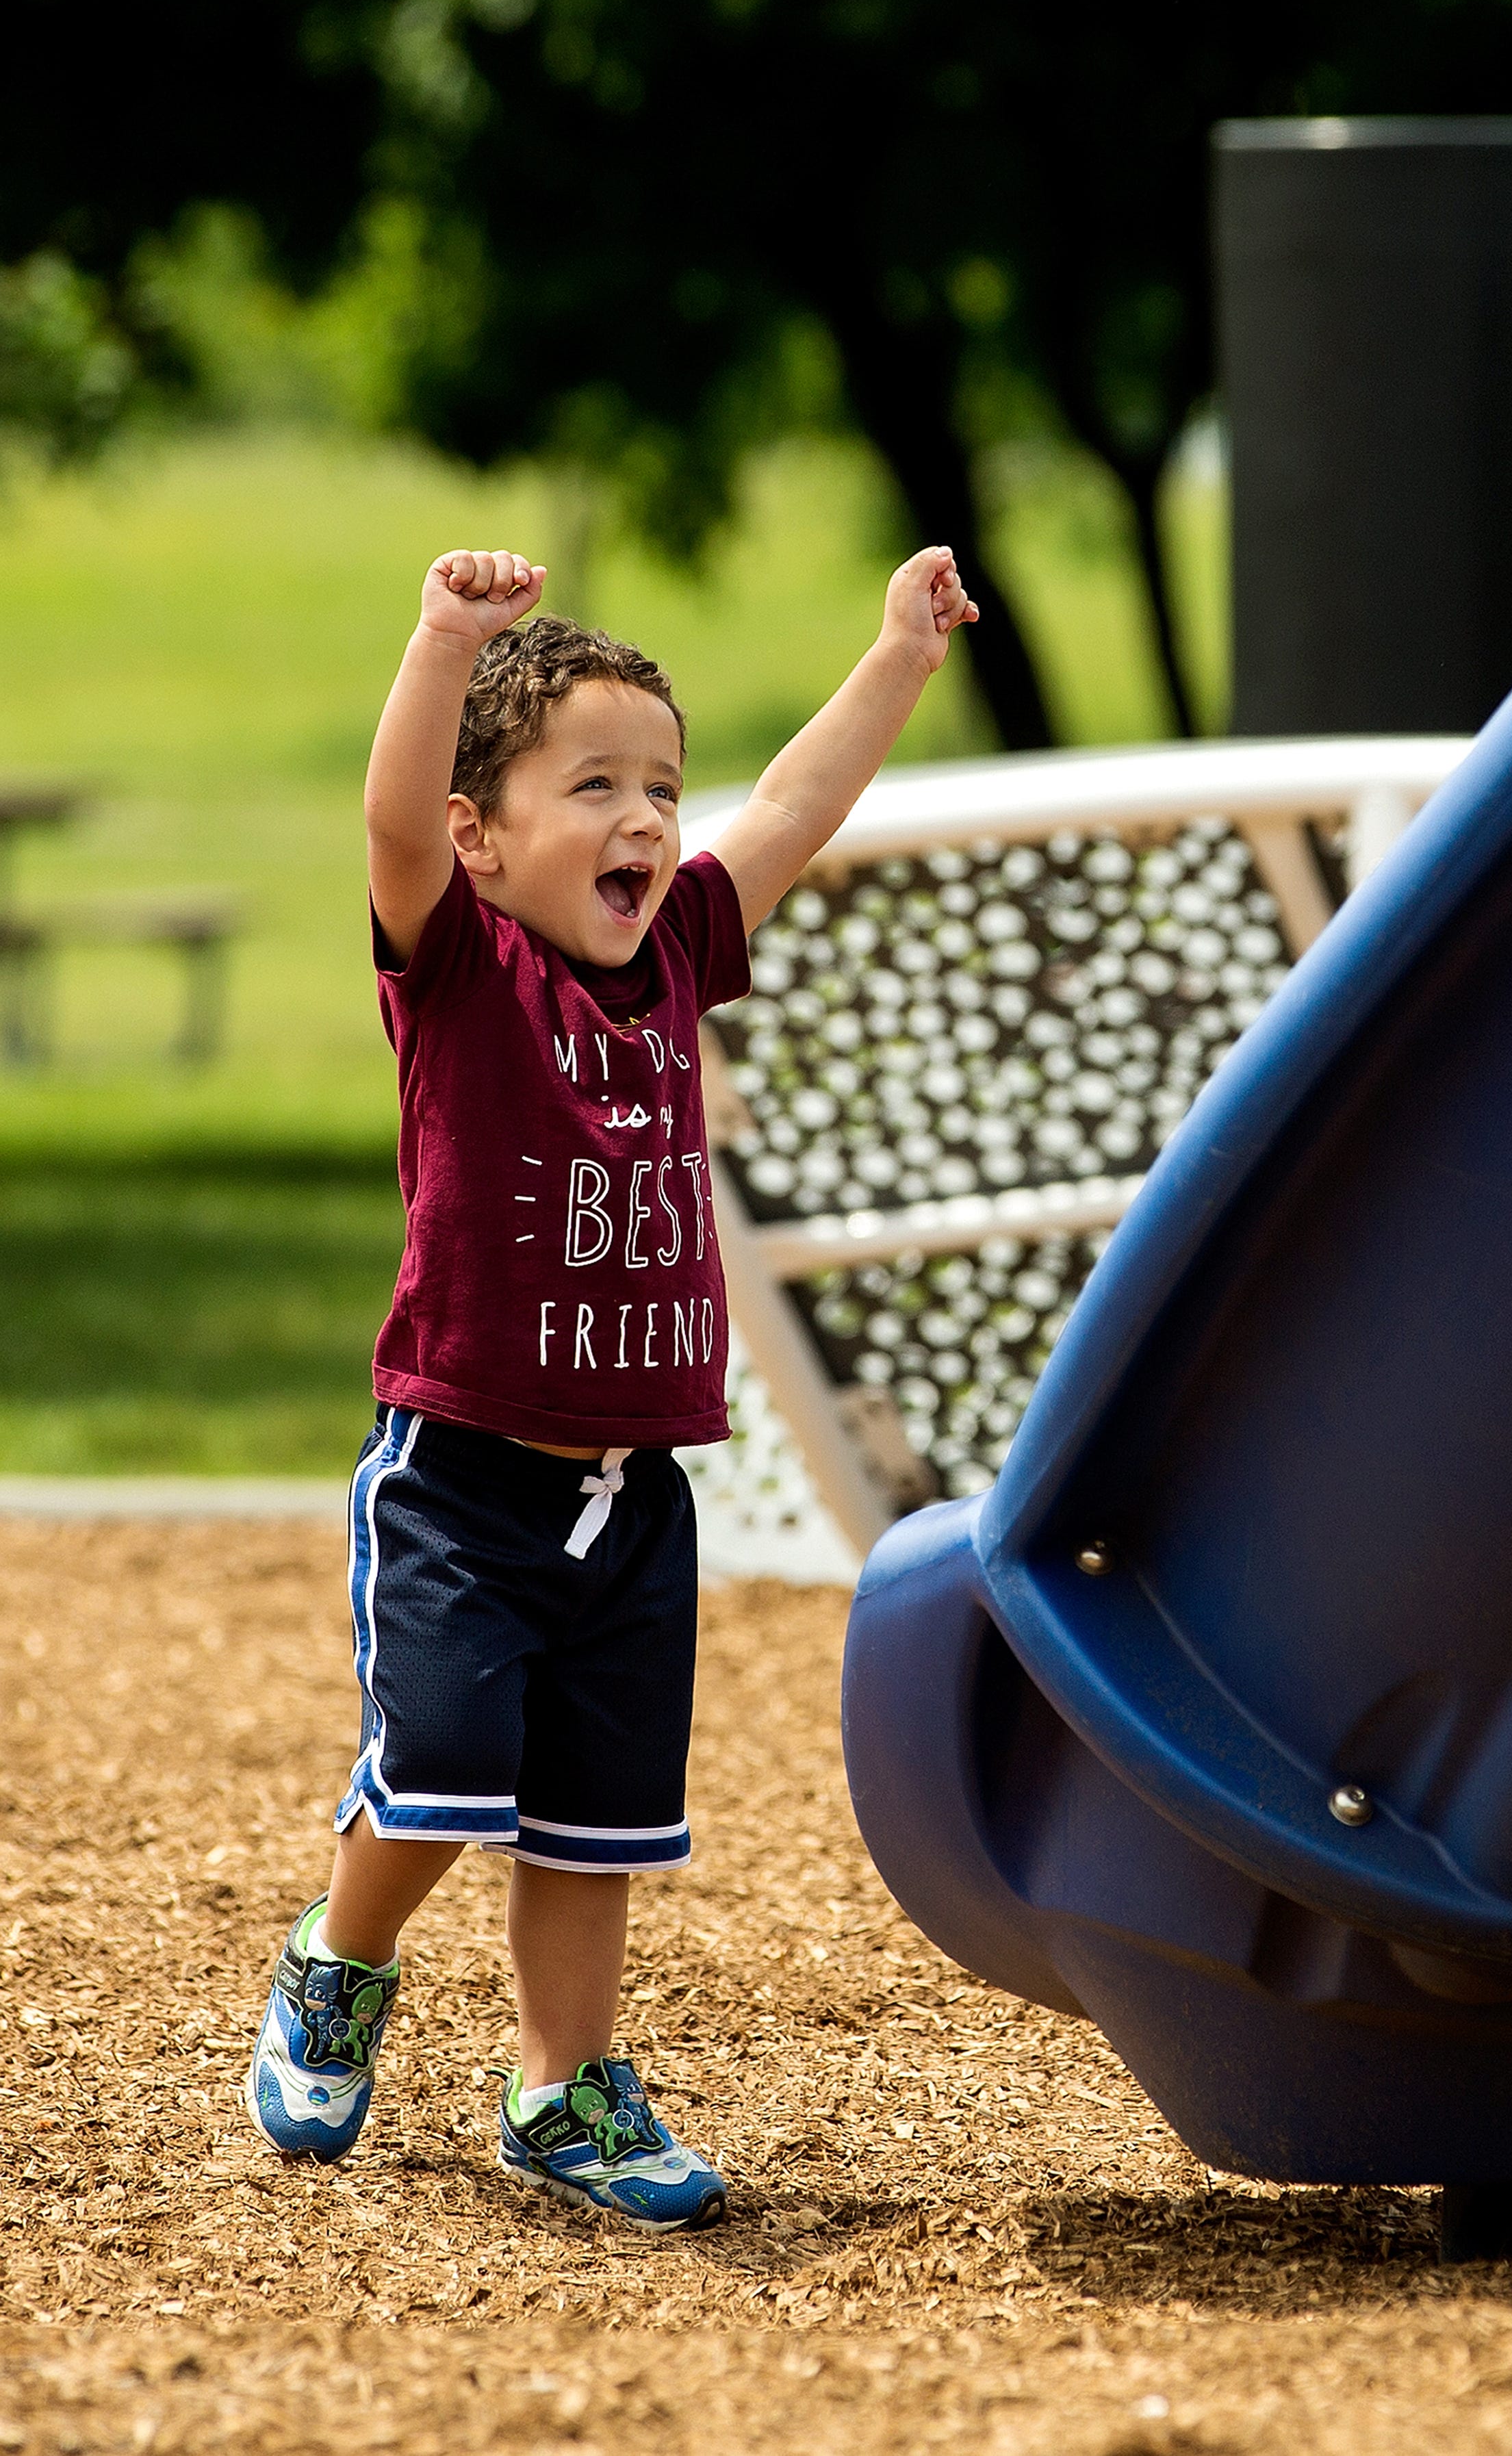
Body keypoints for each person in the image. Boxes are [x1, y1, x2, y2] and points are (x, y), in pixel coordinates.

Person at [241, 540, 976, 2224]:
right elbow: (393, 827)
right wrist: (442, 639)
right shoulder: (460, 968)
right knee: (437, 1763)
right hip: (462, 1474)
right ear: (488, 843)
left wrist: (895, 660)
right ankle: (339, 1966)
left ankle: (564, 2088)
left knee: (595, 1825)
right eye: (596, 786)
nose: (647, 818)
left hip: (634, 1495)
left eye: (660, 784)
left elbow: (789, 809)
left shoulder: (671, 959)